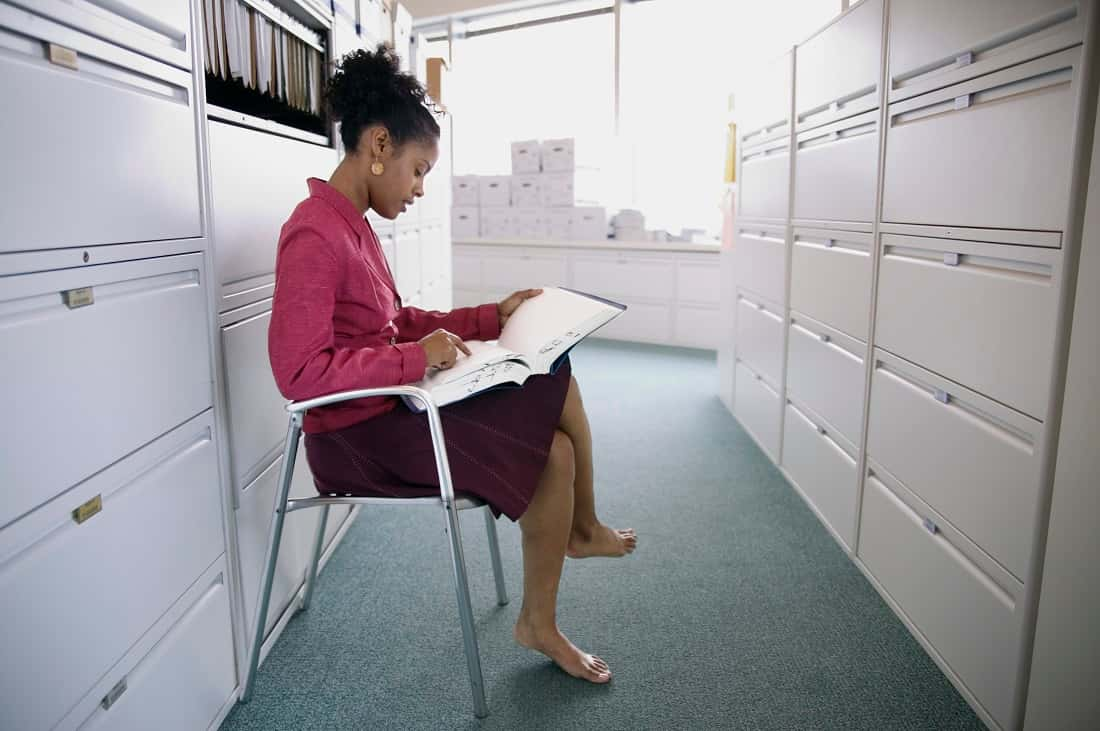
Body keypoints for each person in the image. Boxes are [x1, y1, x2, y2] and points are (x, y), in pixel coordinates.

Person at [267, 45, 637, 684]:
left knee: (555, 395)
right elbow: (299, 374)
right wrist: (413, 359)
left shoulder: (352, 225)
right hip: (355, 439)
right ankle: (576, 538)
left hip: (393, 408)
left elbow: (398, 321)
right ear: (378, 144)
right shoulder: (314, 232)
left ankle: (555, 585)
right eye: (417, 170)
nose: (418, 189)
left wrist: (492, 316)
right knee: (553, 420)